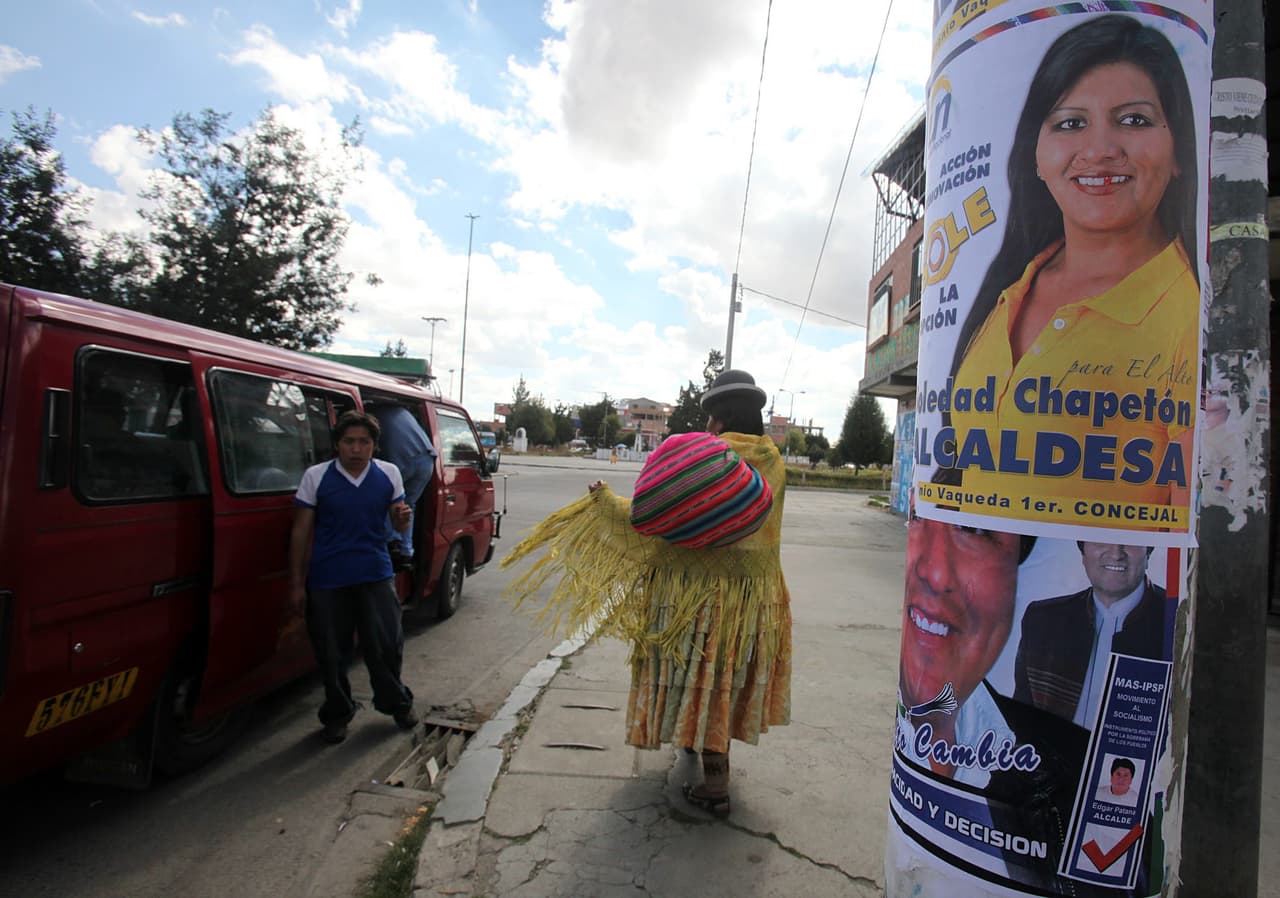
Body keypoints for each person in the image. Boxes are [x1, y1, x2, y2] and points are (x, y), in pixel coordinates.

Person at [502, 369, 791, 819]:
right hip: (751, 599)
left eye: (710, 416)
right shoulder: (772, 460)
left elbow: (654, 519)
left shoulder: (707, 458)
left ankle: (716, 787)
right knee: (723, 680)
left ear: (718, 417)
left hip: (693, 599)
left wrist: (606, 502)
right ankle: (700, 749)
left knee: (697, 675)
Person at [942, 15, 1199, 515]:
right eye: (1070, 123)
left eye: (1134, 120)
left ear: (1178, 153)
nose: (1099, 151)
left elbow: (1188, 543)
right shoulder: (1010, 286)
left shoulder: (1193, 317)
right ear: (1036, 154)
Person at [894, 504, 1111, 895]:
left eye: (973, 529)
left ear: (1016, 576)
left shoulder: (1083, 778)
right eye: (919, 516)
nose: (933, 573)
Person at [289, 411, 418, 744]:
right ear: (337, 445)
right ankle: (338, 714)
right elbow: (300, 531)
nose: (356, 449)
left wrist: (403, 520)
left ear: (375, 445)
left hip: (375, 573)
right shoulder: (316, 477)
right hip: (328, 578)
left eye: (364, 442)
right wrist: (296, 584)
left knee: (386, 645)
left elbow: (398, 522)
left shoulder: (389, 473)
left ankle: (397, 703)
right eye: (349, 442)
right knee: (332, 652)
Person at [1015, 541, 1172, 726]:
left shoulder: (1176, 620)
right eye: (1102, 539)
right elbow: (1020, 720)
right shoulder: (1041, 619)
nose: (1116, 554)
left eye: (1131, 541)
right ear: (1083, 553)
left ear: (1148, 552)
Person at [367, 404, 437, 570]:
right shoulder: (401, 412)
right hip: (427, 459)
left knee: (388, 502)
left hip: (402, 459)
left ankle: (391, 544)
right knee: (407, 505)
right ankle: (406, 551)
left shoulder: (368, 417)